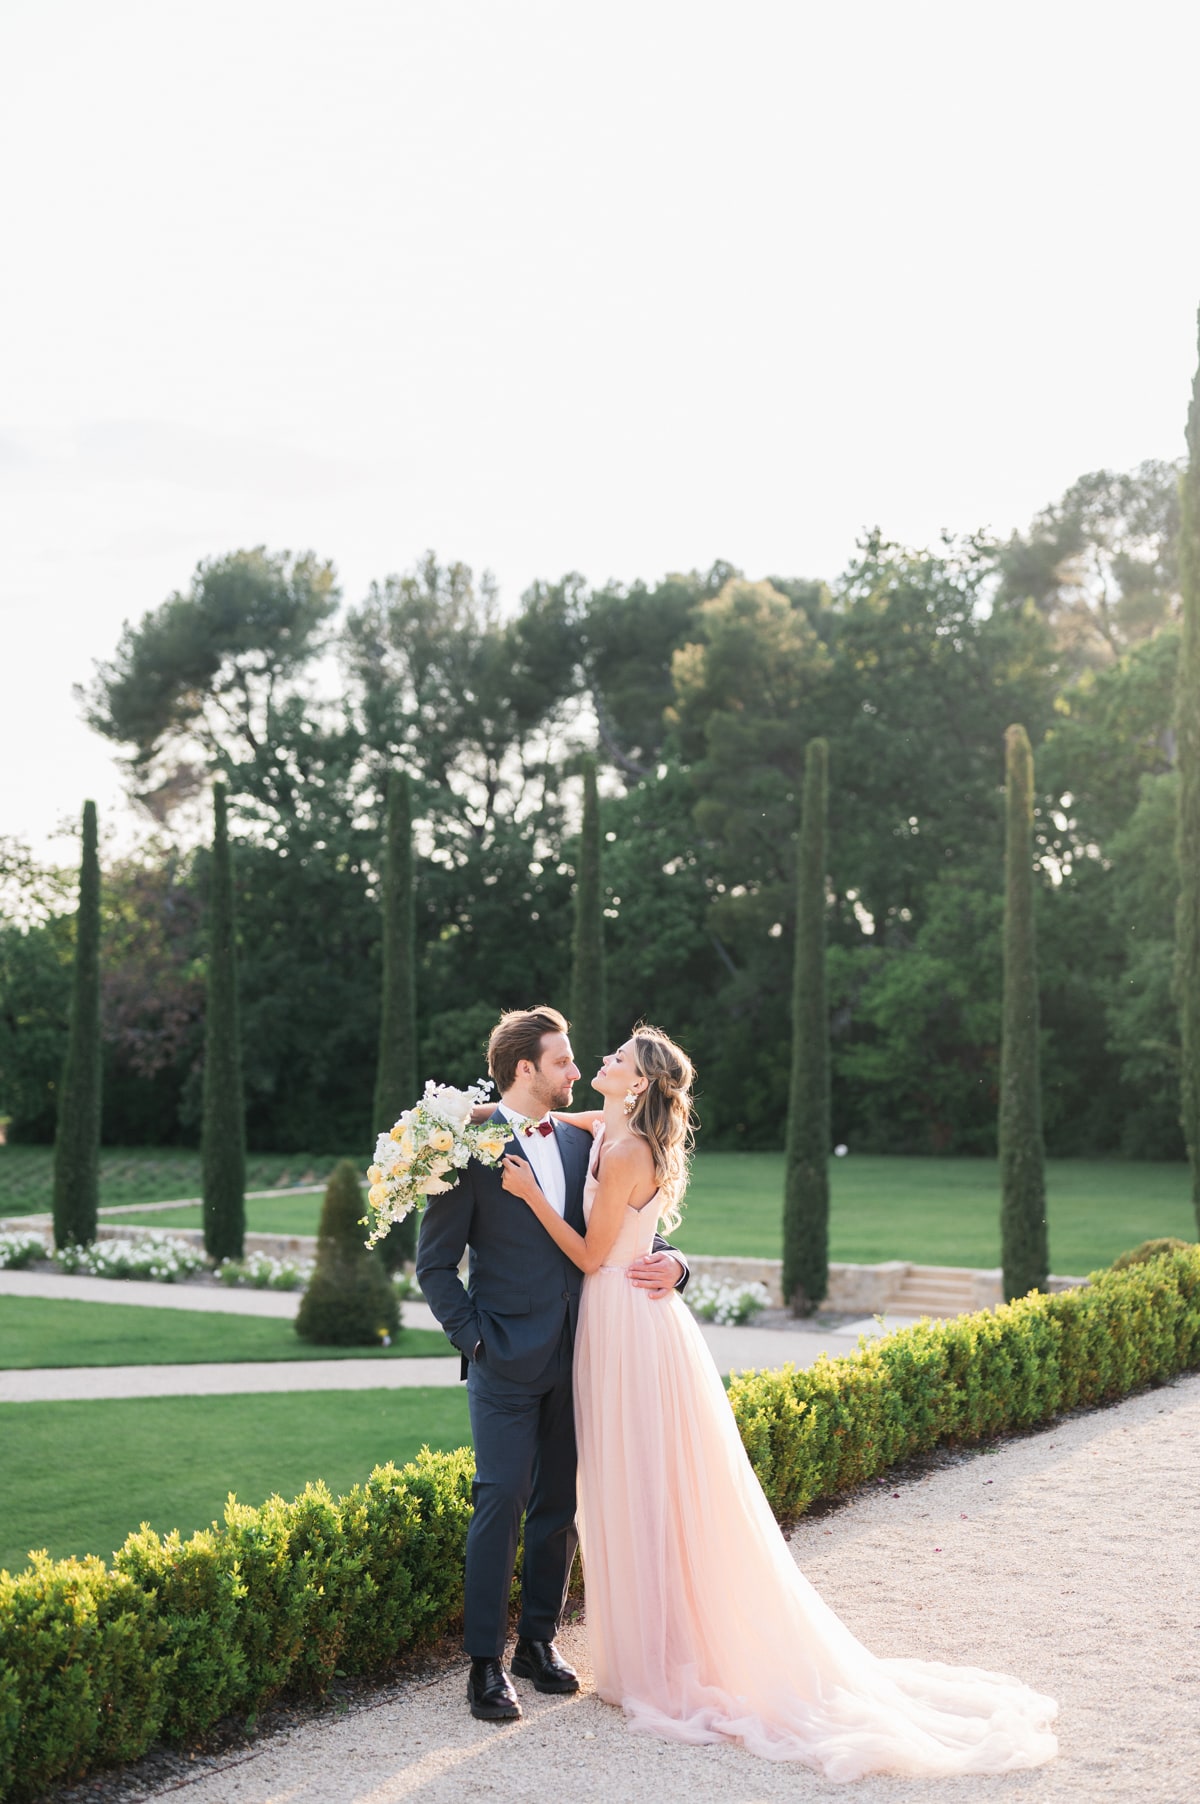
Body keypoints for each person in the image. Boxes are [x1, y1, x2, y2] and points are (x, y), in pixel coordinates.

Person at [497, 1024, 1059, 1781]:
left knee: (642, 1486)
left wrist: (532, 1196)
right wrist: (451, 1119)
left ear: (637, 1083)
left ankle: (662, 1663)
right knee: (633, 1484)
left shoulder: (628, 1149)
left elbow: (596, 1256)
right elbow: (541, 1119)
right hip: (626, 1322)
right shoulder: (612, 1125)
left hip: (627, 1326)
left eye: (616, 1059)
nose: (599, 1062)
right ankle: (650, 1650)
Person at [415, 1005, 689, 1724]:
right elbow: (435, 1264)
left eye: (579, 1061)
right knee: (500, 1500)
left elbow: (634, 1220)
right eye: (563, 1061)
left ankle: (538, 1642)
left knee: (559, 1510)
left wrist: (678, 1266)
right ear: (525, 1068)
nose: (576, 1070)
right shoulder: (467, 1148)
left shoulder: (588, 1137)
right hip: (502, 1359)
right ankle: (484, 1664)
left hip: (586, 1354)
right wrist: (474, 1341)